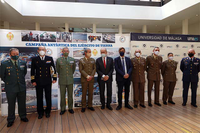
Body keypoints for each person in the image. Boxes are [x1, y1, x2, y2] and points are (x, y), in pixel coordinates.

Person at [1, 48, 28, 127]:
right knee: (11, 104)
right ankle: (10, 119)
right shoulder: (4, 63)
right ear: (10, 55)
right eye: (14, 54)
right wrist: (10, 82)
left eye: (17, 54)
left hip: (21, 86)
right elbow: (2, 76)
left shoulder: (23, 62)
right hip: (10, 87)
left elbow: (24, 73)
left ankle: (23, 116)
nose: (16, 55)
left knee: (22, 103)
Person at [31, 46, 57, 119]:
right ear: (37, 51)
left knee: (48, 97)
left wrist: (54, 78)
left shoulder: (49, 58)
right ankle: (40, 112)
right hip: (38, 81)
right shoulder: (34, 59)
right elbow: (32, 71)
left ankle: (48, 111)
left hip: (48, 81)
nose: (41, 50)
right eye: (40, 49)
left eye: (43, 49)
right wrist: (33, 80)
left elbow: (53, 69)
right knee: (39, 98)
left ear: (45, 50)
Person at [56, 47, 76, 115]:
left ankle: (70, 108)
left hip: (70, 80)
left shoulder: (72, 59)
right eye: (64, 51)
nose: (66, 52)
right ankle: (63, 109)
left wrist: (69, 75)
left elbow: (73, 69)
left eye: (67, 51)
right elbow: (58, 70)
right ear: (62, 51)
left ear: (69, 52)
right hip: (62, 80)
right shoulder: (59, 60)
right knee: (62, 95)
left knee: (70, 95)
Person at [79, 48, 96, 112]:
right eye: (89, 52)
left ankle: (90, 105)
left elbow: (94, 69)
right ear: (85, 53)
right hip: (84, 79)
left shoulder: (93, 60)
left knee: (91, 93)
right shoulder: (81, 60)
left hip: (91, 79)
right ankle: (83, 106)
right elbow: (81, 70)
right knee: (84, 93)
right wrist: (87, 76)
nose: (90, 53)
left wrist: (91, 76)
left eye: (90, 52)